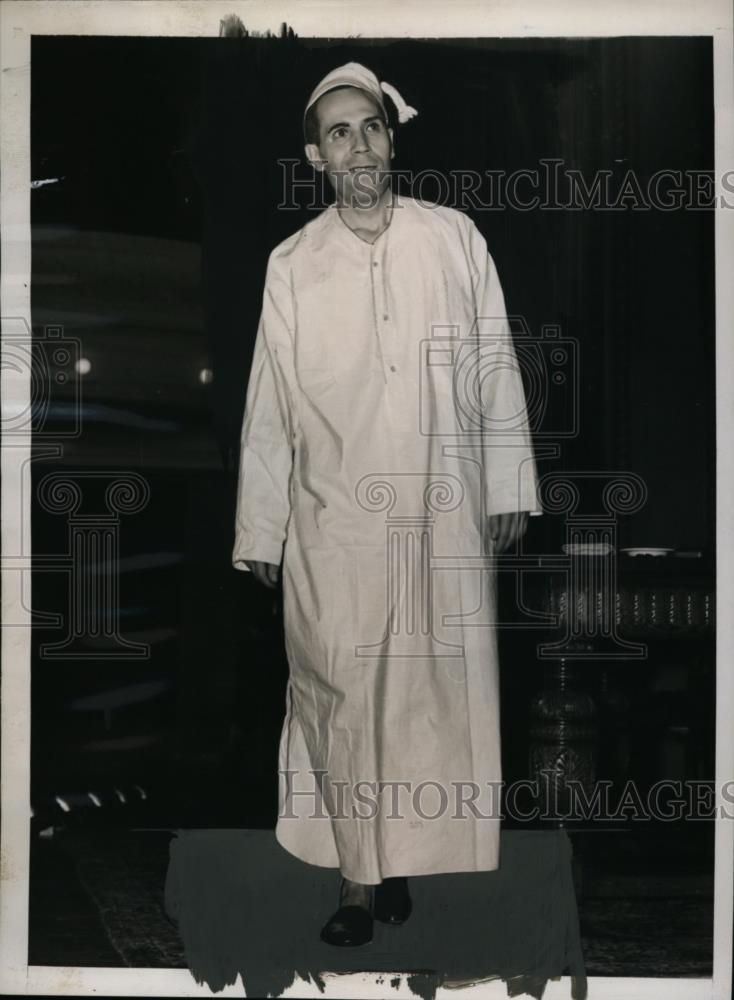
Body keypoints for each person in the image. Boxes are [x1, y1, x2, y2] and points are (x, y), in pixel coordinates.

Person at [232, 62, 542, 946]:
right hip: (335, 522)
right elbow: (270, 404)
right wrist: (262, 525)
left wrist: (508, 478)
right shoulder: (291, 265)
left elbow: (495, 364)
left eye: (368, 126)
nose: (357, 144)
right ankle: (358, 881)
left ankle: (394, 863)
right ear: (315, 157)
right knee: (342, 689)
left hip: (440, 508)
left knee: (424, 696)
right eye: (338, 133)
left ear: (391, 139)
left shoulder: (453, 239)